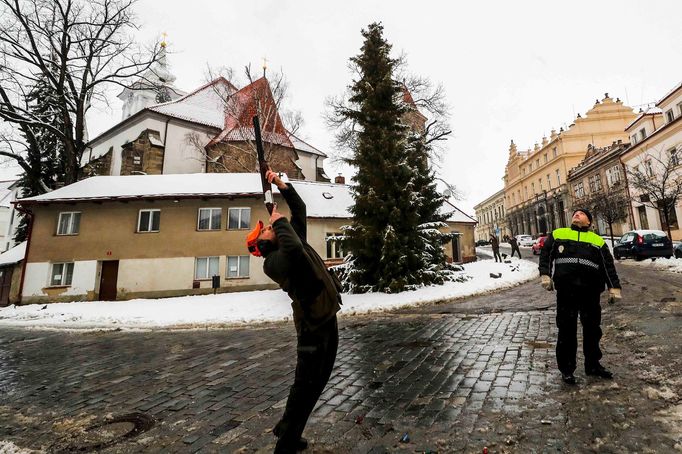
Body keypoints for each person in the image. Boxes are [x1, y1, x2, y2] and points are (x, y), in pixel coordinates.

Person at [246, 169, 342, 453]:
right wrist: (278, 221)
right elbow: (294, 250)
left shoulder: (289, 239)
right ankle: (285, 442)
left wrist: (279, 183)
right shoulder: (273, 262)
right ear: (263, 243)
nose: (271, 227)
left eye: (269, 225)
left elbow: (300, 208)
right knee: (306, 384)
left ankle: (291, 432)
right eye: (266, 230)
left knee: (318, 380)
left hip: (326, 313)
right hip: (312, 324)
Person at [538, 208, 622, 385]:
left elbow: (608, 266)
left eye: (582, 214)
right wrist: (545, 273)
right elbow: (546, 254)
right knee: (566, 331)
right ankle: (567, 370)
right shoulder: (559, 234)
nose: (577, 214)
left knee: (592, 330)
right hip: (566, 292)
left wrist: (614, 287)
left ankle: (593, 365)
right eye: (575, 213)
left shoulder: (597, 240)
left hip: (590, 292)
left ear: (589, 222)